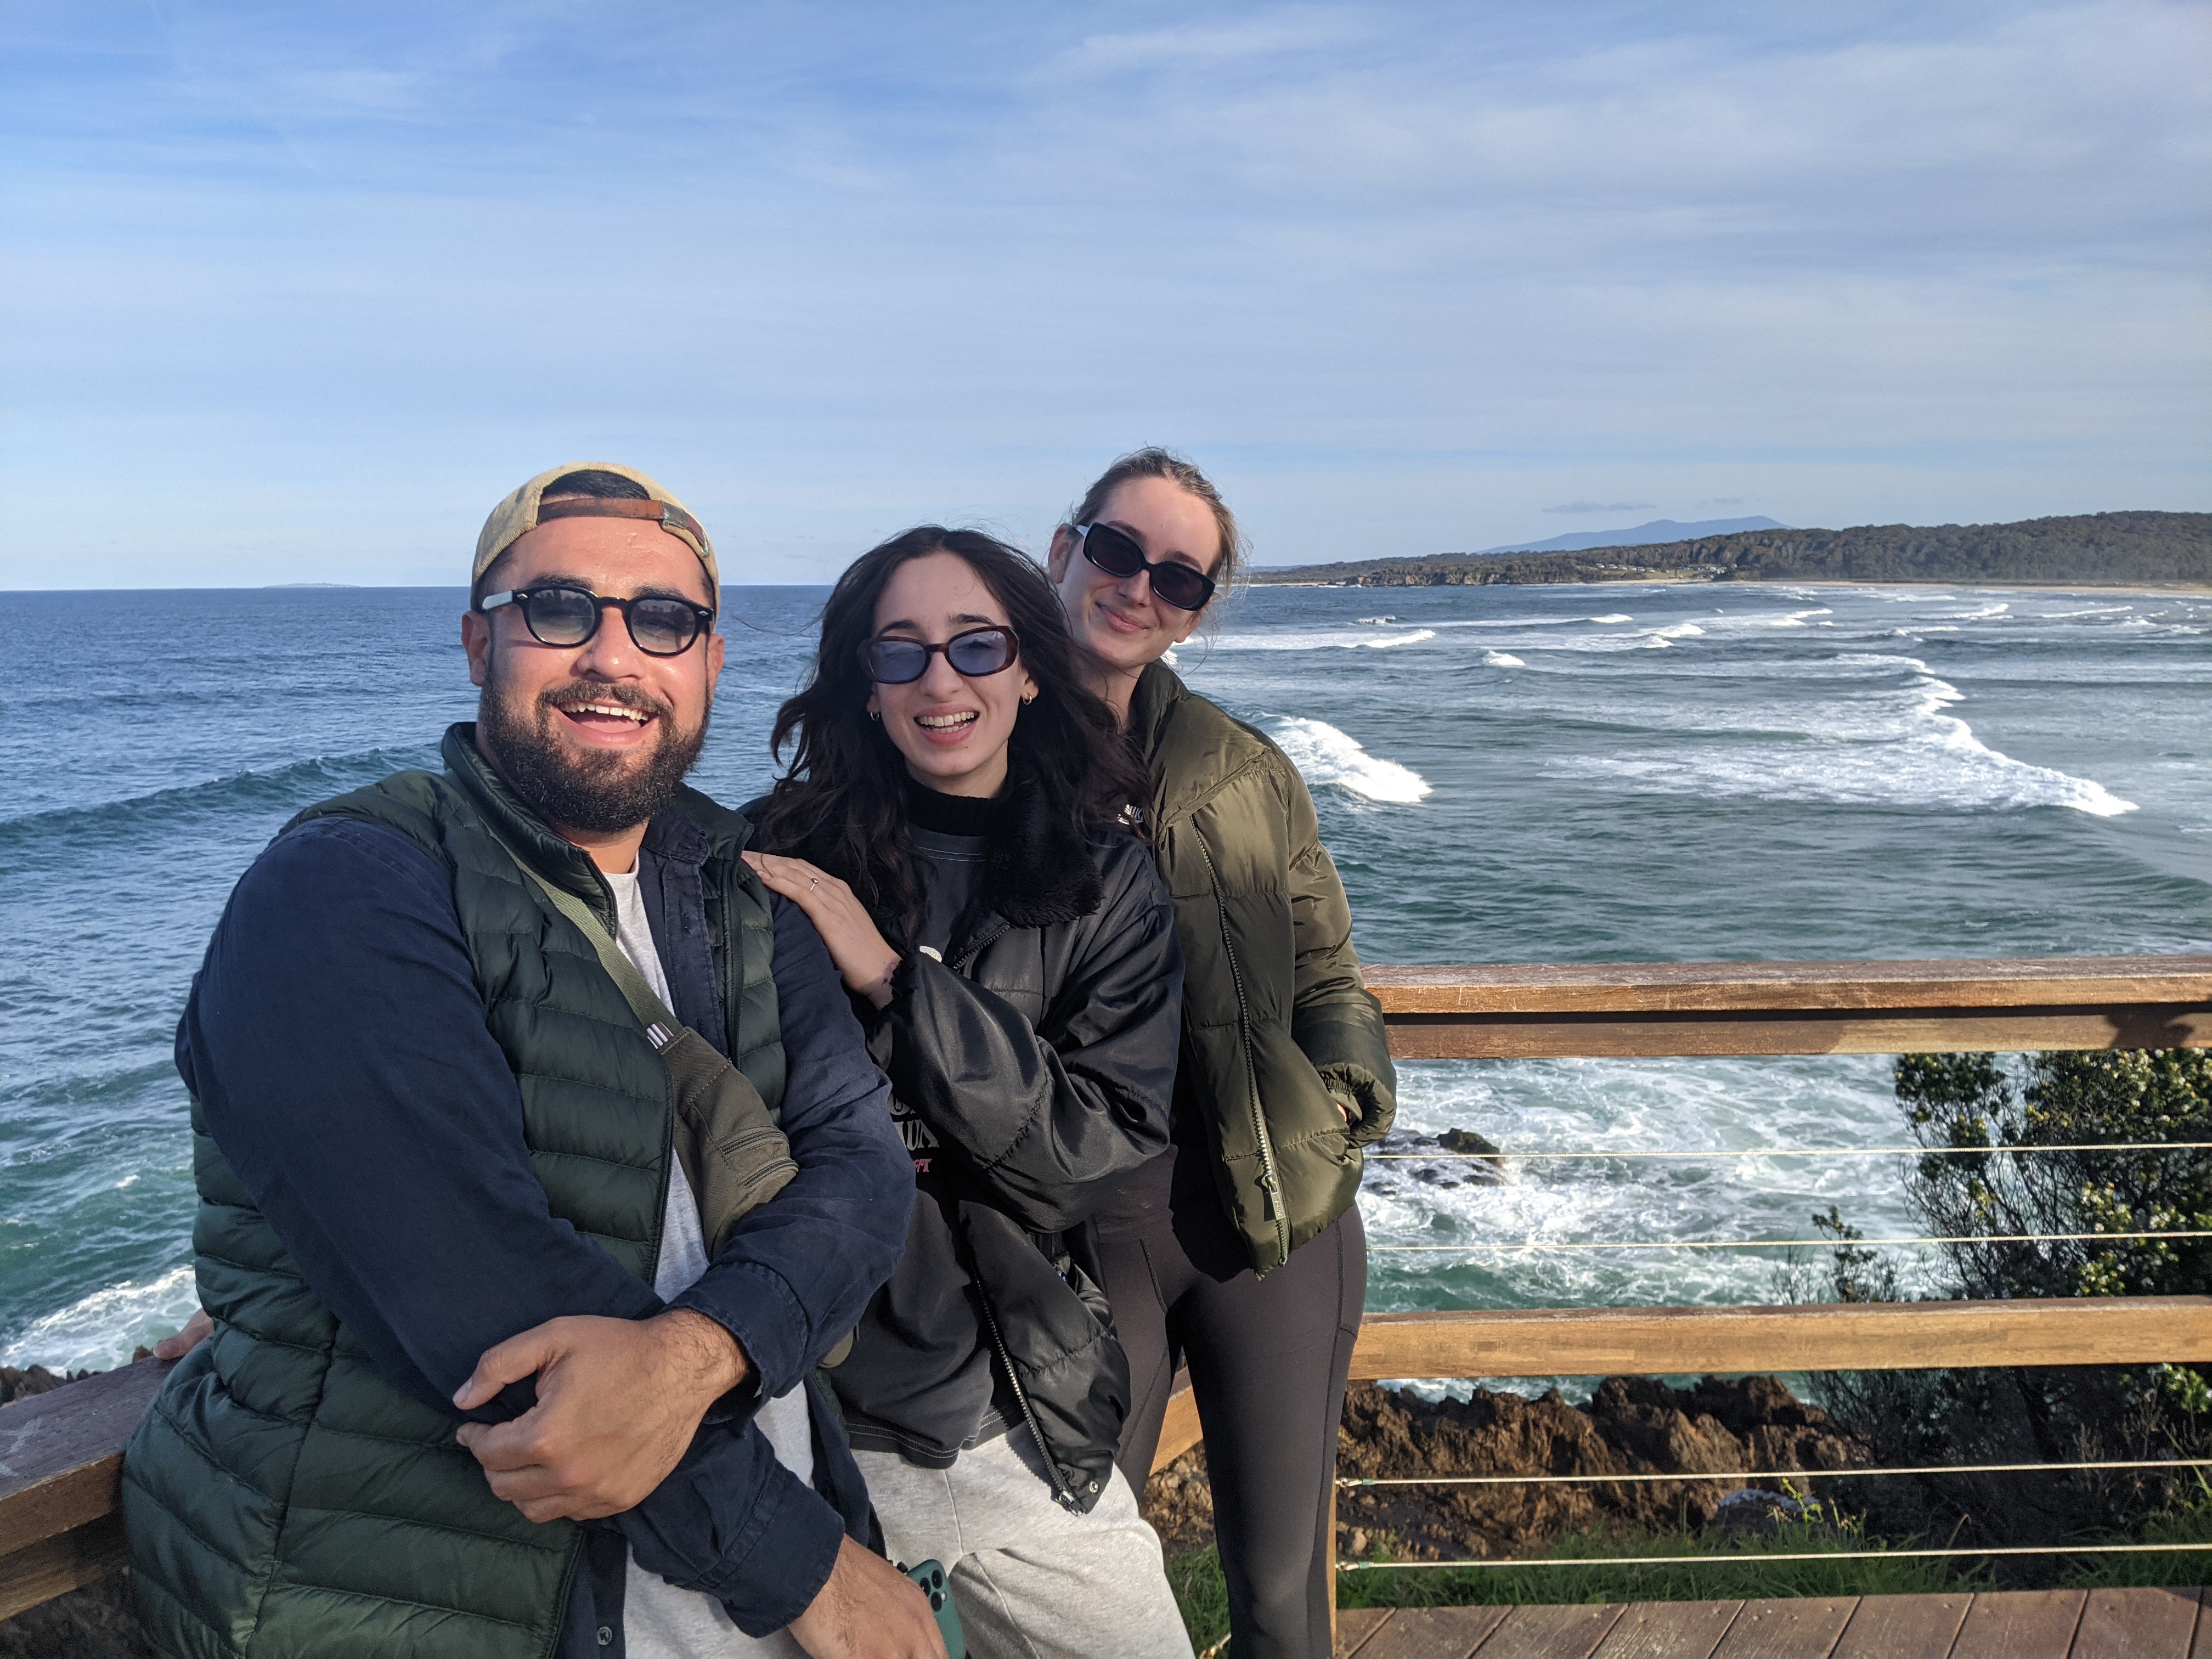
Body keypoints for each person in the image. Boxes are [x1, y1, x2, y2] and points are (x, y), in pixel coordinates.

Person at [123, 464, 944, 1659]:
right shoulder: (348, 885)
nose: (614, 654)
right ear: (476, 643)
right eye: (558, 609)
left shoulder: (741, 895)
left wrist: (699, 1353)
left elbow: (863, 1172)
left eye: (664, 619)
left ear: (711, 661)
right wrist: (807, 1568)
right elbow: (477, 1291)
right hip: (442, 1602)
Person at [743, 527, 1194, 1658]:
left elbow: (1092, 1146)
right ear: (865, 685)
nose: (941, 681)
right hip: (804, 1424)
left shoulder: (1107, 883)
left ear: (1031, 669)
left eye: (976, 647)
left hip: (1007, 1421)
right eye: (900, 654)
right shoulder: (770, 862)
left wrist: (898, 984)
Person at [1047, 449, 1398, 1659]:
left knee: (1283, 1599)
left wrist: (1340, 1115)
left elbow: (1328, 972)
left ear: (1198, 610)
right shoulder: (973, 753)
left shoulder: (1246, 772)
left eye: (1179, 577)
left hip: (1276, 1220)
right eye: (1117, 551)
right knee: (1065, 1581)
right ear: (1064, 551)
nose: (1139, 587)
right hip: (1086, 1241)